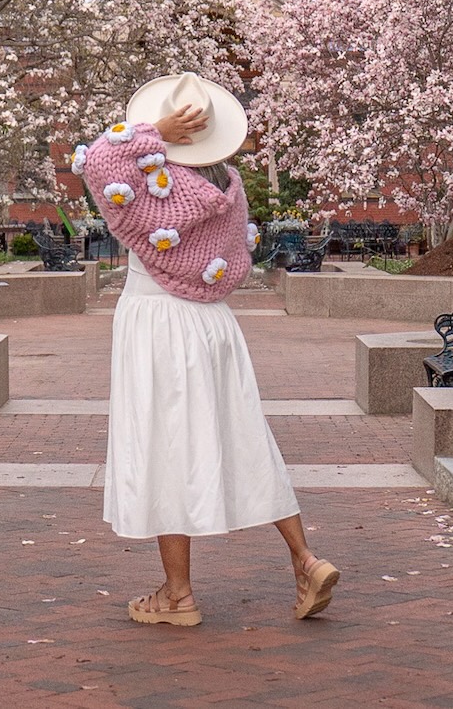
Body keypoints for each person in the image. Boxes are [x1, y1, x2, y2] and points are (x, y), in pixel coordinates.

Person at [76, 72, 339, 627]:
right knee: (246, 438)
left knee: (164, 448)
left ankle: (178, 595)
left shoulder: (151, 185)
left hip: (157, 325)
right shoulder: (228, 185)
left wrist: (151, 133)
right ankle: (305, 560)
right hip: (214, 326)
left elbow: (99, 161)